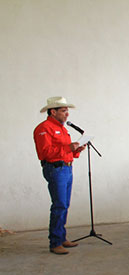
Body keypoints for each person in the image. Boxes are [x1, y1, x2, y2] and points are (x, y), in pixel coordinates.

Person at [33, 97, 86, 255]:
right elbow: (46, 153)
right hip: (55, 170)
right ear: (53, 111)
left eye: (67, 111)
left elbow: (64, 151)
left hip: (66, 169)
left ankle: (61, 238)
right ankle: (55, 242)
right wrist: (69, 147)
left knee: (64, 205)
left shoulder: (62, 128)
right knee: (59, 205)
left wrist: (75, 150)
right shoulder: (44, 128)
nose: (67, 114)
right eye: (64, 111)